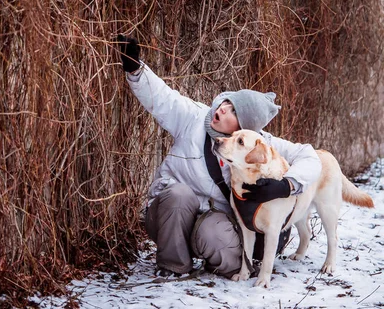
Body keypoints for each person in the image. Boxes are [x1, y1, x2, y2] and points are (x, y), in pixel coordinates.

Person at [117, 34, 322, 278]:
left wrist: (286, 186)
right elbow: (163, 99)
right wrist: (136, 69)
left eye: (233, 111)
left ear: (242, 128)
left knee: (217, 237)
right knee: (179, 194)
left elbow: (310, 157)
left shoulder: (259, 144)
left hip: (214, 223)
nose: (223, 108)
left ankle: (220, 261)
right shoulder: (192, 117)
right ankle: (173, 267)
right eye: (228, 102)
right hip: (169, 218)